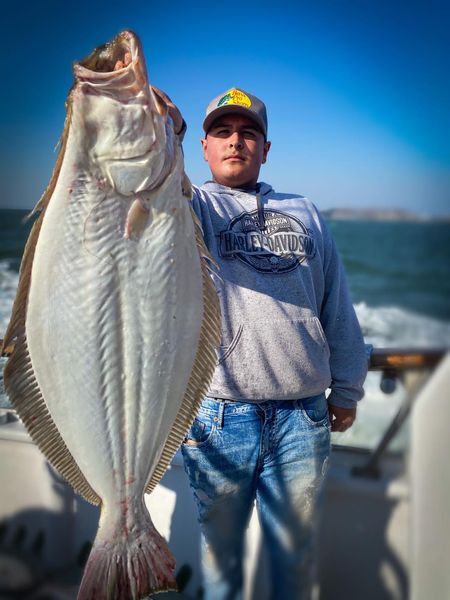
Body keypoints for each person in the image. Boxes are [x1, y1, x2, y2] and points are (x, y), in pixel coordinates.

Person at [168, 87, 368, 600]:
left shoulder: (306, 211)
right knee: (222, 560)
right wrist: (166, 129)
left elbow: (336, 304)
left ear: (266, 147)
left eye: (248, 133)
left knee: (295, 558)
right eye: (223, 132)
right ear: (205, 148)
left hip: (303, 418)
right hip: (219, 415)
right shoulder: (190, 205)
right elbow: (149, 190)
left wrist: (347, 388)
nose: (236, 142)